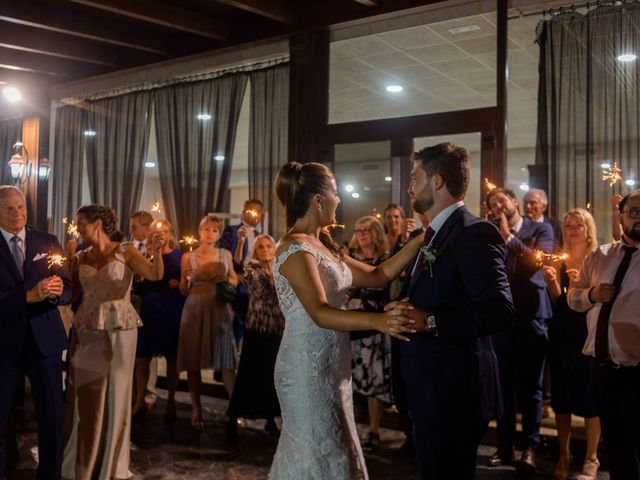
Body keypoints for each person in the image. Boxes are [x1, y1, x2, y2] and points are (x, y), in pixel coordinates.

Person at [269, 161, 422, 479]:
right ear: (318, 200)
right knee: (318, 450)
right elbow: (320, 312)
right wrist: (378, 321)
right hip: (305, 367)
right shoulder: (295, 249)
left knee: (336, 446)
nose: (340, 199)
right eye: (335, 192)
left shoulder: (322, 244)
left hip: (332, 362)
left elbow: (378, 275)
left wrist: (421, 240)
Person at [385, 144, 513, 479]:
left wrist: (428, 321)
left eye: (415, 177)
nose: (409, 186)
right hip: (430, 389)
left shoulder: (475, 232)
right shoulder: (431, 234)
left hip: (453, 392)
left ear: (437, 181)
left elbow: (500, 310)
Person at [62, 204, 164, 480]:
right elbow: (70, 296)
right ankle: (82, 462)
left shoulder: (125, 250)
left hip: (120, 327)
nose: (78, 227)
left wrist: (155, 252)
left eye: (82, 222)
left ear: (97, 223)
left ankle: (110, 465)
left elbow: (154, 275)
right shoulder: (80, 257)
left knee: (117, 395)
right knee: (85, 394)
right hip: (86, 328)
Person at [567, 190, 640, 480]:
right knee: (617, 449)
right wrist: (591, 294)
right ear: (619, 216)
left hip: (637, 369)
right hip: (603, 368)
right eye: (633, 211)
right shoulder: (600, 255)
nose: (639, 218)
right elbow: (573, 298)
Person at [0, 185, 71, 479]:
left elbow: (68, 286)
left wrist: (57, 292)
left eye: (22, 207)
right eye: (9, 209)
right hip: (4, 344)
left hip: (45, 341)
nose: (18, 213)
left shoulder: (47, 241)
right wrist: (28, 297)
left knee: (52, 416)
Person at [485, 187, 554, 472]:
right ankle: (504, 447)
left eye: (503, 200)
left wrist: (509, 238)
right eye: (492, 202)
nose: (498, 204)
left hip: (531, 317)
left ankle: (530, 447)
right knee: (503, 387)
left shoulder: (541, 228)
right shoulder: (487, 231)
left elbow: (537, 262)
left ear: (514, 203)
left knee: (531, 389)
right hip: (501, 320)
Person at [541, 208, 600, 480]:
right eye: (568, 225)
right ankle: (565, 454)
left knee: (590, 399)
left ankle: (592, 456)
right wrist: (553, 282)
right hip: (562, 332)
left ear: (588, 230)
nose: (573, 229)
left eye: (579, 224)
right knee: (562, 398)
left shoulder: (598, 260)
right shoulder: (560, 261)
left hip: (587, 333)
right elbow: (559, 301)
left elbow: (599, 300)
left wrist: (583, 290)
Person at [177, 214, 238, 431]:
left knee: (226, 360)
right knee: (193, 361)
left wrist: (226, 280)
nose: (210, 233)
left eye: (214, 230)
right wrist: (186, 279)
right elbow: (183, 290)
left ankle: (234, 408)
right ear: (199, 231)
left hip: (218, 308)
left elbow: (234, 279)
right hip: (194, 308)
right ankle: (196, 408)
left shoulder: (225, 254)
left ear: (219, 234)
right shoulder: (188, 257)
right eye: (206, 229)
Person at [226, 234, 284, 440]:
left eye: (269, 245)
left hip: (277, 328)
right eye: (261, 247)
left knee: (272, 376)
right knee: (249, 374)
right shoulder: (254, 270)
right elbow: (238, 265)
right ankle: (233, 418)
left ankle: (270, 418)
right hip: (257, 328)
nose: (266, 249)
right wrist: (240, 242)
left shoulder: (282, 269)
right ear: (256, 251)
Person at [346, 216, 392, 453]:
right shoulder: (350, 258)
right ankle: (351, 430)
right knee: (352, 378)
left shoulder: (385, 260)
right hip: (353, 324)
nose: (361, 234)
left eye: (366, 230)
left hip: (376, 325)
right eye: (358, 230)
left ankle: (374, 429)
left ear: (376, 233)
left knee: (375, 378)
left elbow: (389, 290)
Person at [133, 220, 185, 421]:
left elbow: (185, 283)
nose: (160, 235)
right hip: (149, 308)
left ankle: (171, 399)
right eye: (156, 232)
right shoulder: (143, 256)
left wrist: (180, 283)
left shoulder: (180, 257)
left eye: (164, 232)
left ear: (170, 234)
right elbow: (138, 282)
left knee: (172, 358)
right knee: (143, 358)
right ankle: (140, 399)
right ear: (150, 236)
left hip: (171, 308)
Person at [220, 199, 264, 347]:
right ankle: (227, 365)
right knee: (235, 326)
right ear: (244, 213)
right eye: (251, 210)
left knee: (253, 327)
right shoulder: (231, 230)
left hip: (256, 287)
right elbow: (222, 255)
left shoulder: (260, 235)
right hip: (238, 285)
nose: (254, 214)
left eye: (258, 211)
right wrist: (234, 275)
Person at [129, 210, 159, 413]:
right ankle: (134, 394)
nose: (131, 230)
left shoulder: (153, 249)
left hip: (149, 304)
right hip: (131, 303)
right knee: (135, 354)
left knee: (148, 353)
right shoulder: (130, 247)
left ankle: (148, 393)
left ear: (147, 227)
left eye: (135, 227)